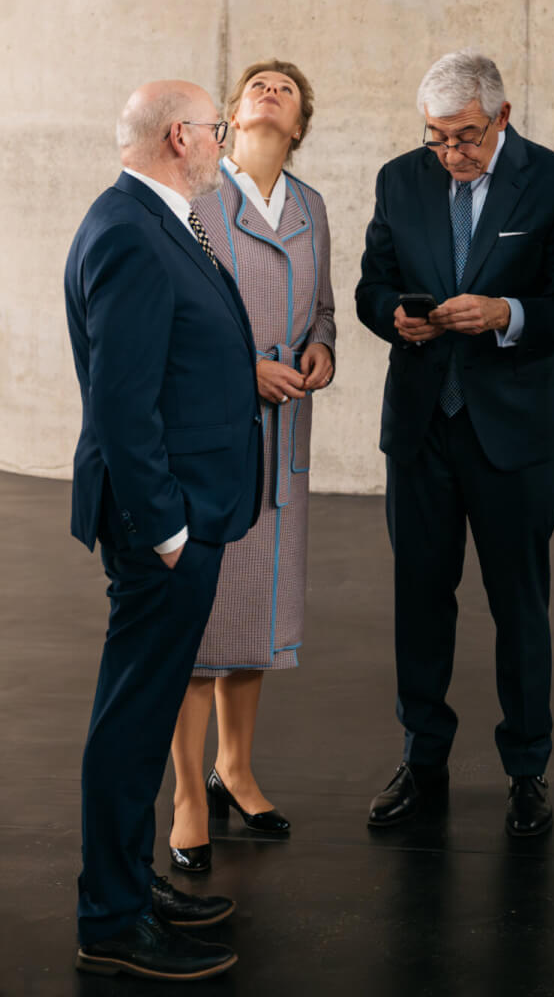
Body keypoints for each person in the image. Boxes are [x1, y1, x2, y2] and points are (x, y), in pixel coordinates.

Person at [357, 51, 554, 839]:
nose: (450, 154)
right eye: (436, 137)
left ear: (503, 116)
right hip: (422, 427)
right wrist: (394, 314)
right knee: (420, 599)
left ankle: (527, 768)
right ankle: (422, 760)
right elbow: (371, 284)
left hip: (515, 431)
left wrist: (505, 314)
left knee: (520, 606)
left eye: (466, 137)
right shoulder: (399, 179)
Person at [66, 81, 263, 982]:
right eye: (216, 128)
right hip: (166, 520)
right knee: (134, 718)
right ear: (181, 136)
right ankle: (110, 918)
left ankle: (128, 886)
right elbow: (121, 402)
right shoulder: (130, 232)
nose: (224, 140)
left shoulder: (155, 221)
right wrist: (168, 530)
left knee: (141, 716)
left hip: (186, 506)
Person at [166, 61, 336, 873]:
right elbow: (175, 319)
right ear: (232, 115)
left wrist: (322, 348)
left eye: (285, 88)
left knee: (252, 620)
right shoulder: (196, 199)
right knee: (200, 627)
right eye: (256, 85)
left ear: (299, 125)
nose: (270, 91)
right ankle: (188, 798)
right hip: (214, 430)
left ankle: (234, 770)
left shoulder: (311, 206)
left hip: (285, 432)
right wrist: (244, 373)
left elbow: (323, 308)